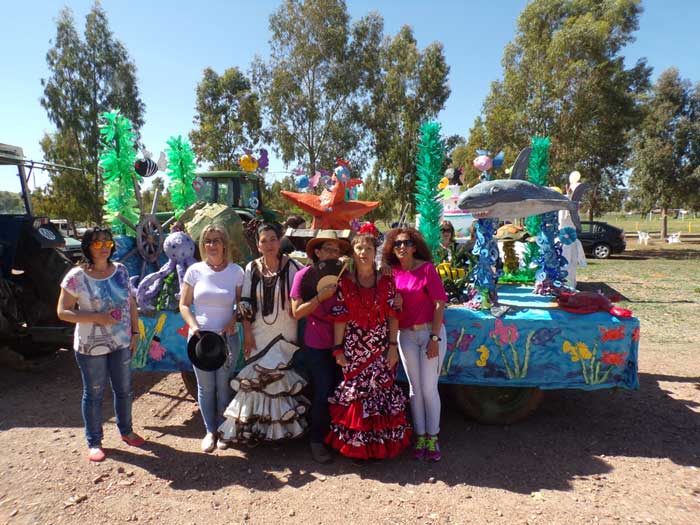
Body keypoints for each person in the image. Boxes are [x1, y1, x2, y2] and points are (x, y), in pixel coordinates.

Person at [57, 227, 145, 462]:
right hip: (90, 346)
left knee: (124, 390)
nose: (104, 247)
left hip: (121, 342)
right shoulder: (76, 277)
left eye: (107, 242)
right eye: (97, 243)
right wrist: (96, 317)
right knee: (94, 393)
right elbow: (63, 311)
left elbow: (130, 303)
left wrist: (135, 331)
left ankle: (126, 431)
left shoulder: (122, 271)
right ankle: (94, 441)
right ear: (88, 246)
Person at [218, 224, 308, 444]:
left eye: (273, 239)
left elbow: (305, 290)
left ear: (279, 241)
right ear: (258, 245)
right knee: (254, 380)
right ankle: (250, 430)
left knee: (278, 380)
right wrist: (247, 333)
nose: (269, 244)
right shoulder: (252, 268)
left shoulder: (294, 267)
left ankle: (277, 432)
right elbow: (246, 302)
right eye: (264, 240)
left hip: (285, 332)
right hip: (258, 333)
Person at [326, 232, 411, 459]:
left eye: (368, 249)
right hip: (354, 350)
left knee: (380, 394)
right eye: (359, 249)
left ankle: (380, 447)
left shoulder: (387, 280)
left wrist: (393, 346)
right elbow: (341, 317)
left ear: (375, 253)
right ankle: (358, 448)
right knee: (357, 397)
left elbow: (394, 315)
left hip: (381, 348)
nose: (363, 253)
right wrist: (337, 349)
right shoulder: (344, 282)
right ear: (353, 252)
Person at [383, 227, 448, 462]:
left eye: (406, 243)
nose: (401, 247)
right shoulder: (393, 273)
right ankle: (420, 436)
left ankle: (433, 436)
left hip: (430, 333)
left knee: (429, 389)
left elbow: (440, 303)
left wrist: (434, 338)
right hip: (406, 335)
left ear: (414, 246)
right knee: (414, 389)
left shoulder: (427, 269)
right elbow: (389, 305)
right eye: (397, 243)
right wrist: (395, 302)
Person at [179, 224, 244, 453]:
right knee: (205, 387)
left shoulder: (236, 271)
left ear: (224, 244)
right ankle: (210, 431)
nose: (212, 245)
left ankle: (224, 429)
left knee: (224, 386)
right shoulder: (194, 271)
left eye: (216, 240)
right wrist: (194, 325)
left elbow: (241, 304)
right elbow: (184, 305)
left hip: (227, 339)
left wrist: (233, 319)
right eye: (207, 241)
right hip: (200, 341)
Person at [290, 230, 351, 463]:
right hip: (315, 342)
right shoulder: (303, 276)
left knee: (341, 390)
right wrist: (319, 298)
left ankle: (338, 439)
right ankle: (317, 441)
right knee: (323, 389)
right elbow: (296, 312)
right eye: (328, 249)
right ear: (316, 252)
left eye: (336, 250)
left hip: (343, 341)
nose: (333, 254)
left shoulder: (345, 276)